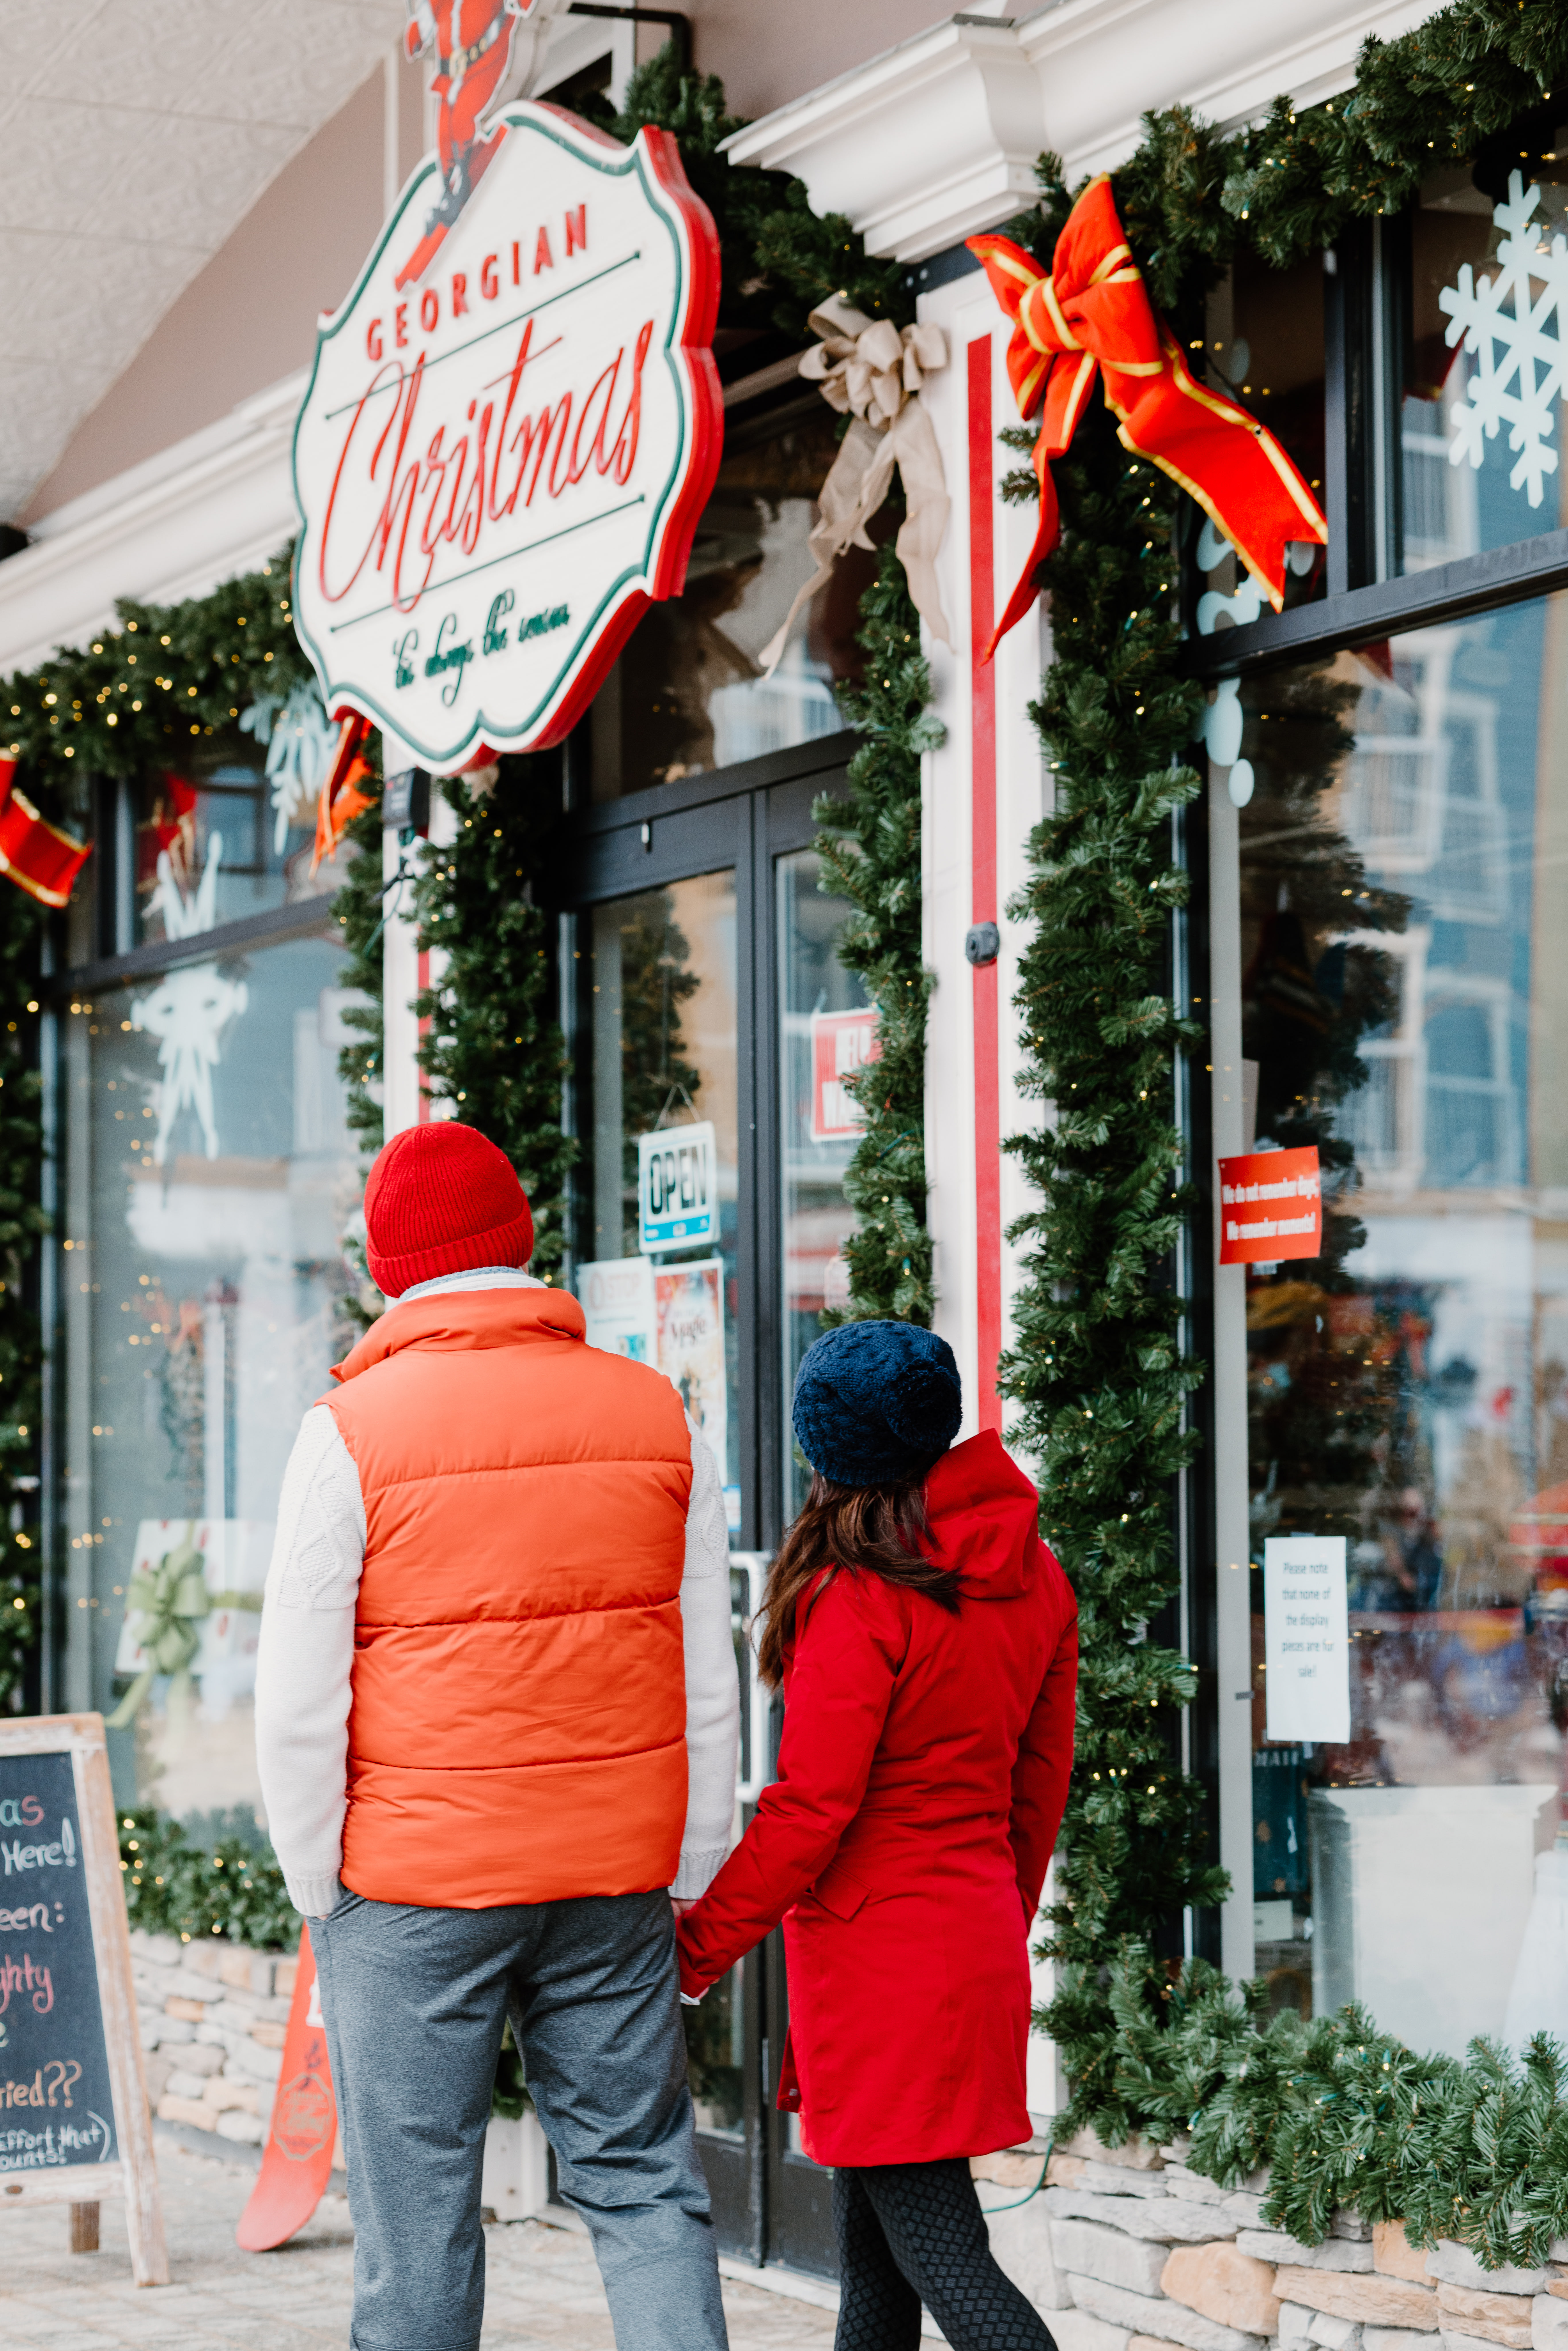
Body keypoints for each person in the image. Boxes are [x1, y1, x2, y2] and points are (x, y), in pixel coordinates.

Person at [255, 1120, 738, 2351]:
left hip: (412, 1887)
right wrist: (695, 1858)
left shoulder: (350, 1429)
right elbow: (703, 1663)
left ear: (387, 1265)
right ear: (519, 1241)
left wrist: (320, 1878)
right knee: (642, 2182)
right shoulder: (650, 1408)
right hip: (609, 1877)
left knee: (417, 2217)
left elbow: (297, 1693)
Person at [676, 1319, 1078, 2351]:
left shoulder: (859, 1596)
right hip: (965, 1940)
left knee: (945, 2256)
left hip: (882, 1970)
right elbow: (1039, 1792)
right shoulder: (1038, 1577)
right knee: (875, 2255)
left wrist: (696, 1945)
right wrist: (995, 1915)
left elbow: (811, 1810)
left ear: (832, 1456)